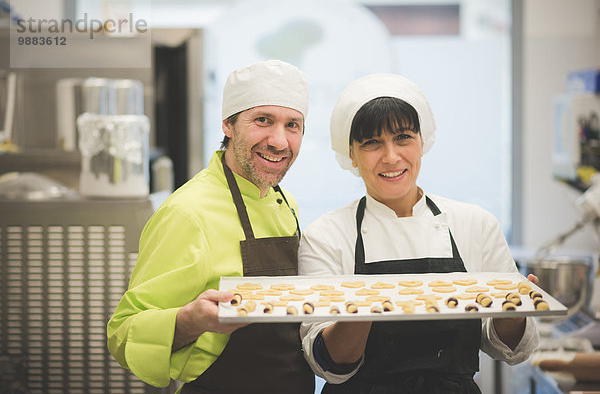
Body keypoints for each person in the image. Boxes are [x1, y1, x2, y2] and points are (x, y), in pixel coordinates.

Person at [298, 74, 540, 393]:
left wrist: (513, 309)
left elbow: (510, 349)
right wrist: (361, 312)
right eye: (372, 143)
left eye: (403, 138)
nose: (391, 156)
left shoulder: (475, 224)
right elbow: (328, 363)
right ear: (351, 155)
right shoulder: (326, 236)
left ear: (422, 142)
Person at [107, 60, 315, 394]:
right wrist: (190, 320)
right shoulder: (187, 212)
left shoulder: (285, 201)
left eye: (293, 125)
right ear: (228, 125)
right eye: (263, 120)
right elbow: (123, 333)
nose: (279, 141)